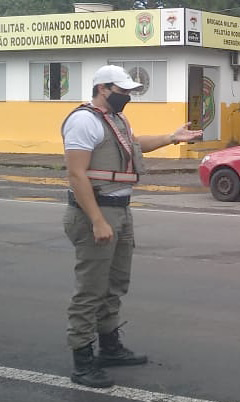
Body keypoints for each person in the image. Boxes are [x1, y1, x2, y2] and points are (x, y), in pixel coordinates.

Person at [61, 65, 202, 388]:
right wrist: (97, 220)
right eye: (122, 90)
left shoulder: (116, 120)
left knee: (115, 284)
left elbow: (135, 145)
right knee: (91, 289)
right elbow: (76, 174)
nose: (127, 96)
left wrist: (170, 138)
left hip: (120, 211)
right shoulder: (84, 121)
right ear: (103, 89)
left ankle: (109, 347)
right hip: (96, 212)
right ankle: (82, 361)